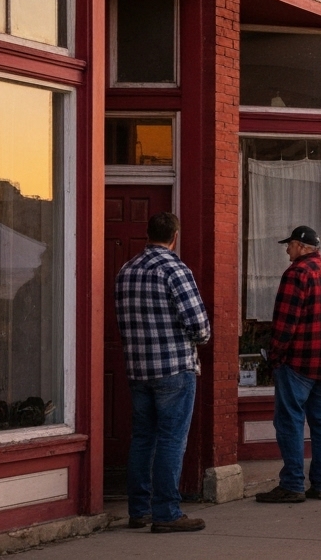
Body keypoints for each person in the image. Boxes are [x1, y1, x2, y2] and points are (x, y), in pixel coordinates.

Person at [114, 212, 211, 533]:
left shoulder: (126, 270)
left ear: (147, 234)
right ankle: (166, 512)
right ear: (175, 236)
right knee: (171, 440)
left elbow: (121, 321)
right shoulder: (175, 270)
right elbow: (199, 327)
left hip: (138, 368)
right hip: (173, 368)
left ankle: (139, 510)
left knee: (142, 439)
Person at [256, 226, 321, 504]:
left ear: (300, 245)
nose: (287, 250)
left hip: (299, 362)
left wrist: (274, 357)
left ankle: (292, 483)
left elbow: (285, 323)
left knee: (290, 421)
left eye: (289, 245)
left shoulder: (296, 274)